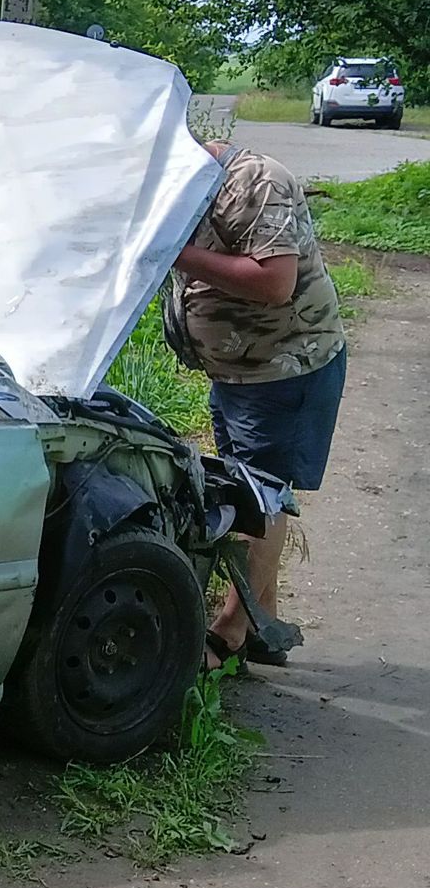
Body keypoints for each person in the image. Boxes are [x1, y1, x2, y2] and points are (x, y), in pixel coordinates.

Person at [166, 141, 347, 665]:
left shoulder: (256, 181)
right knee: (251, 491)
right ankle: (263, 626)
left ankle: (228, 632)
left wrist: (171, 251)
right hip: (238, 372)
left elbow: (274, 282)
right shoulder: (184, 183)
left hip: (283, 370)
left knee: (260, 503)